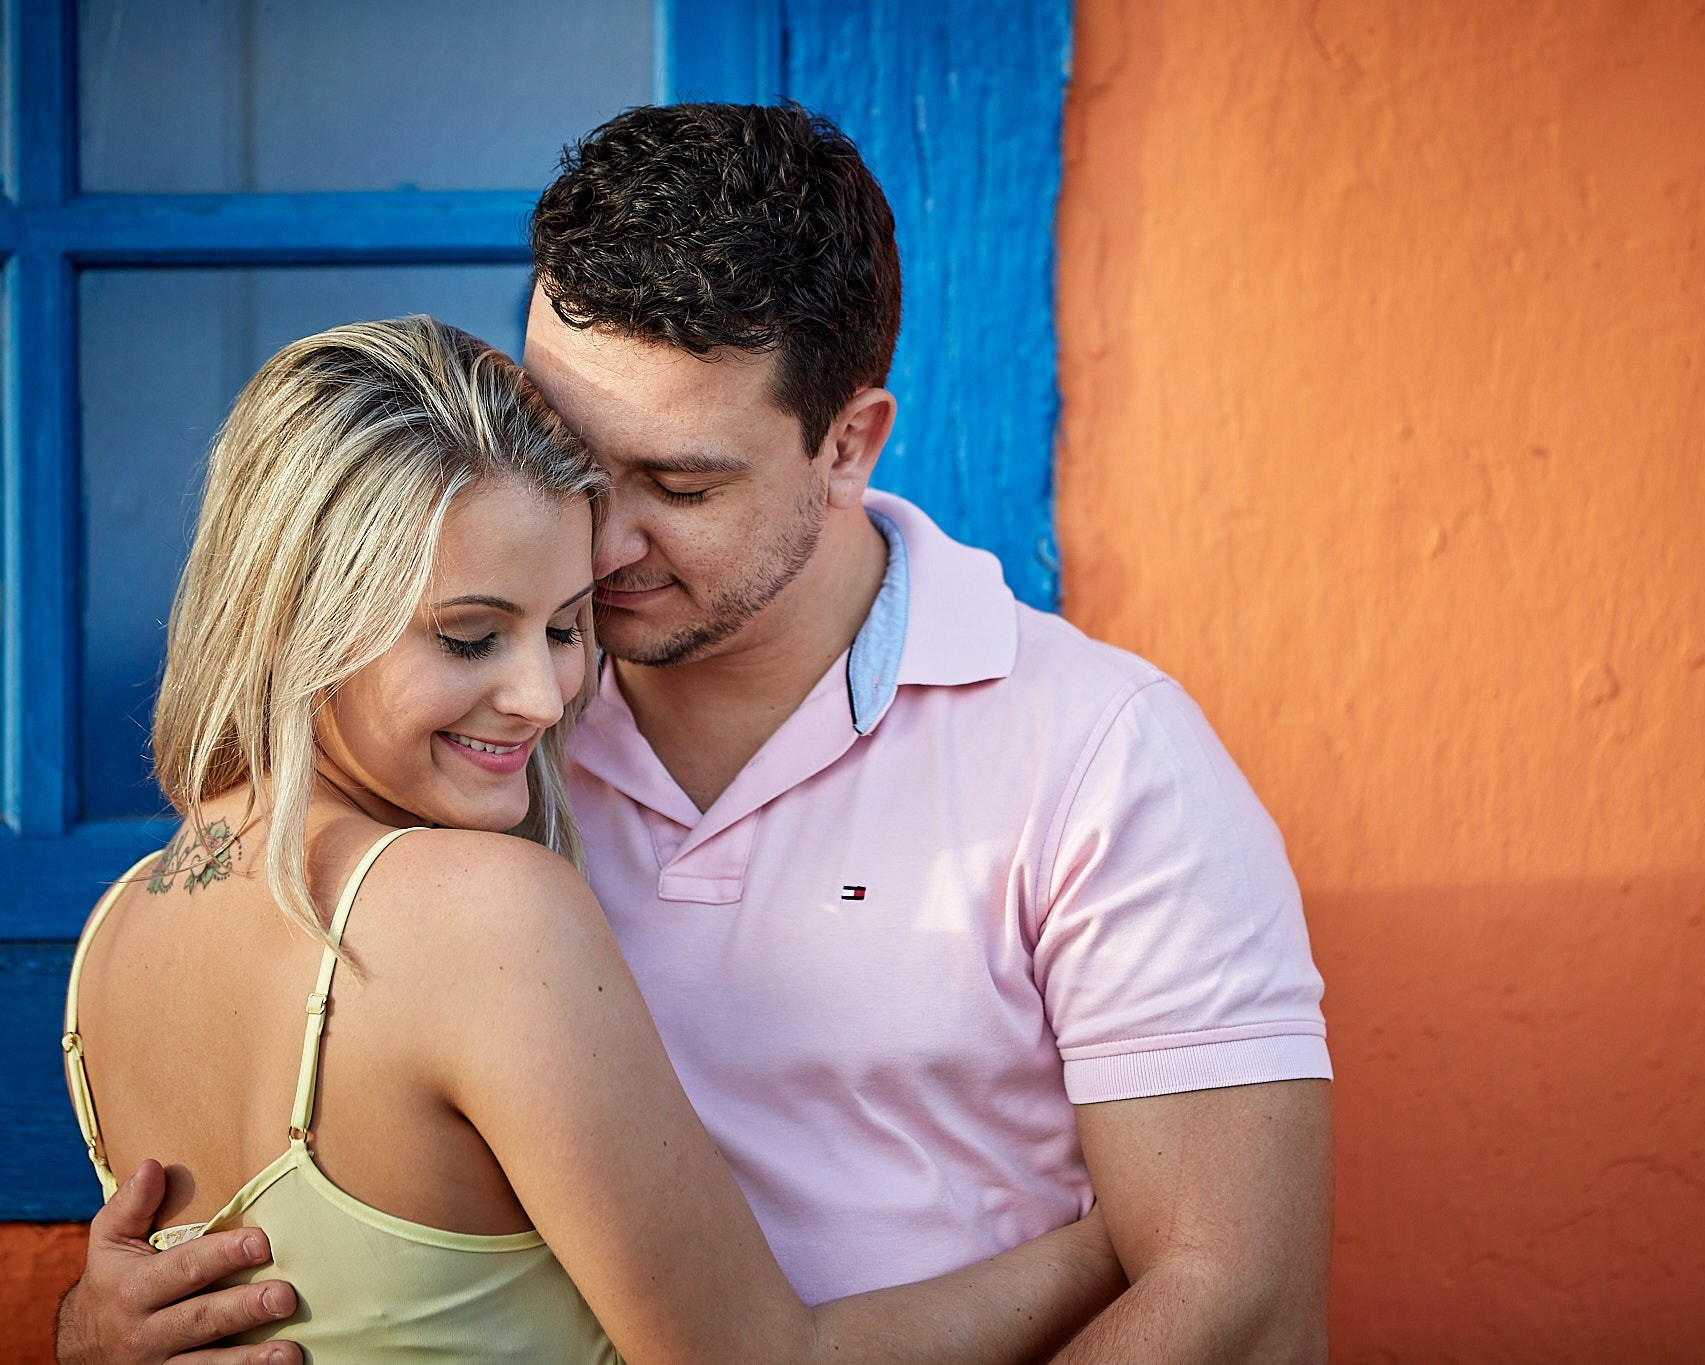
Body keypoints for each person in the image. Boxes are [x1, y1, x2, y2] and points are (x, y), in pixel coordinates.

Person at [61, 104, 1333, 1363]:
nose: (602, 543)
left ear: (848, 443)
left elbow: (1235, 1307)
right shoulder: (473, 753)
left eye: (679, 486)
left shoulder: (1103, 754)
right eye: (569, 453)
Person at [58, 315, 1121, 1363]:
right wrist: (1113, 1245)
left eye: (567, 628)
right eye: (470, 637)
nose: (541, 696)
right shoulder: (483, 910)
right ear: (295, 620)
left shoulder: (117, 931)